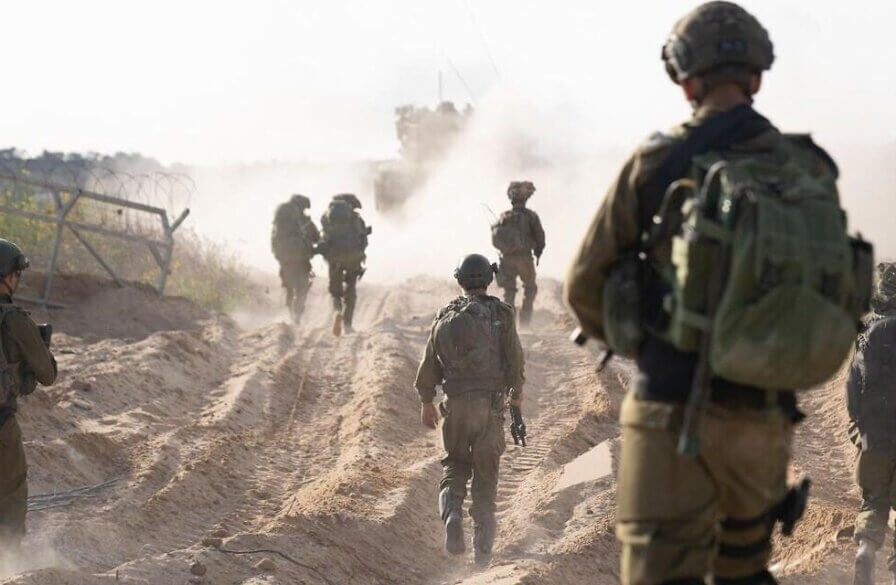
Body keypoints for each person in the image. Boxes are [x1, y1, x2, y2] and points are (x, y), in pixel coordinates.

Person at [565, 3, 858, 584]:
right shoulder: (809, 167)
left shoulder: (656, 163)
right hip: (764, 419)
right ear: (757, 77)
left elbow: (583, 286)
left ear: (685, 79)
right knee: (744, 572)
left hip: (671, 409)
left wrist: (649, 339)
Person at [415, 253, 524, 564]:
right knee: (486, 478)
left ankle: (451, 514)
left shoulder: (444, 317)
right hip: (490, 407)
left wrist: (426, 402)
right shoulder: (502, 314)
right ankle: (483, 550)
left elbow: (429, 365)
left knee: (455, 467)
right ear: (489, 280)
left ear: (459, 280)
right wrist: (517, 395)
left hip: (456, 407)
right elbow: (515, 359)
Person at [0, 240, 57, 554]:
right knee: (10, 494)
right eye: (15, 274)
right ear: (6, 275)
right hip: (1, 426)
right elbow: (47, 375)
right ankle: (7, 565)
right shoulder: (14, 320)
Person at [848, 262, 896, 585]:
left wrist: (859, 430)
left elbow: (853, 391)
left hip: (875, 441)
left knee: (874, 501)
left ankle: (865, 549)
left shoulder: (866, 335)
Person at [491, 181, 545, 327]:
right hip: (525, 259)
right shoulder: (531, 216)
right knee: (530, 289)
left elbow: (495, 238)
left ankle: (509, 326)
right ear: (526, 198)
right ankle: (525, 324)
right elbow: (540, 237)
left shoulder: (503, 216)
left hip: (507, 259)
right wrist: (538, 252)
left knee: (509, 292)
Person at [319, 193, 370, 335]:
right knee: (350, 290)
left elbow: (323, 238)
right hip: (353, 259)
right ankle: (347, 325)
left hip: (334, 259)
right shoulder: (356, 218)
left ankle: (337, 312)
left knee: (335, 292)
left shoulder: (327, 217)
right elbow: (364, 241)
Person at [271, 194, 320, 323]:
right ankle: (296, 316)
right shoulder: (306, 222)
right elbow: (318, 239)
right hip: (302, 261)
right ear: (303, 207)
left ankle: (289, 314)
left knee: (289, 289)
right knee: (301, 290)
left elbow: (274, 242)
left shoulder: (280, 224)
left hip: (285, 260)